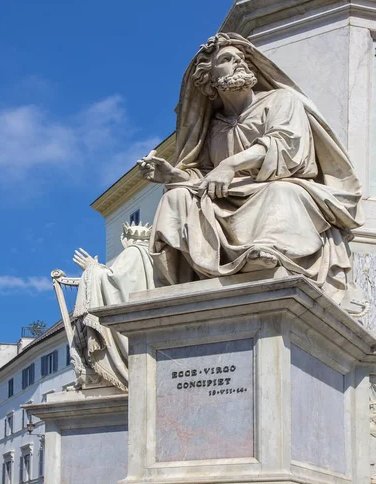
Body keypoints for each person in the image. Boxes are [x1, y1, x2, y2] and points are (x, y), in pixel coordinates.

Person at [137, 33, 363, 302]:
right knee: (175, 198)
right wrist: (173, 175)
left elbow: (288, 144)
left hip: (275, 183)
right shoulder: (215, 126)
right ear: (209, 80)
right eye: (227, 59)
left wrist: (232, 164)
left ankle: (266, 252)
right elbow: (206, 173)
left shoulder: (279, 100)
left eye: (241, 58)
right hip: (228, 194)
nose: (239, 63)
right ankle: (174, 287)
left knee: (281, 193)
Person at [53, 221, 154, 390]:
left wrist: (91, 269)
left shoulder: (132, 253)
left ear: (125, 239)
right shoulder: (151, 257)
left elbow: (113, 280)